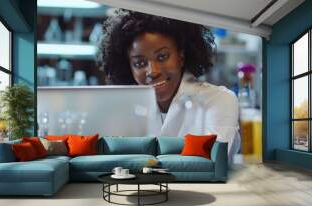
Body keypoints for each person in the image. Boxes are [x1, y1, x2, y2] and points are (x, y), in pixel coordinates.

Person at [97, 9, 240, 162]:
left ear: (181, 56)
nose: (152, 71)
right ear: (128, 67)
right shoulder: (123, 109)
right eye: (139, 63)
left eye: (162, 57)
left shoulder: (219, 100)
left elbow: (212, 162)